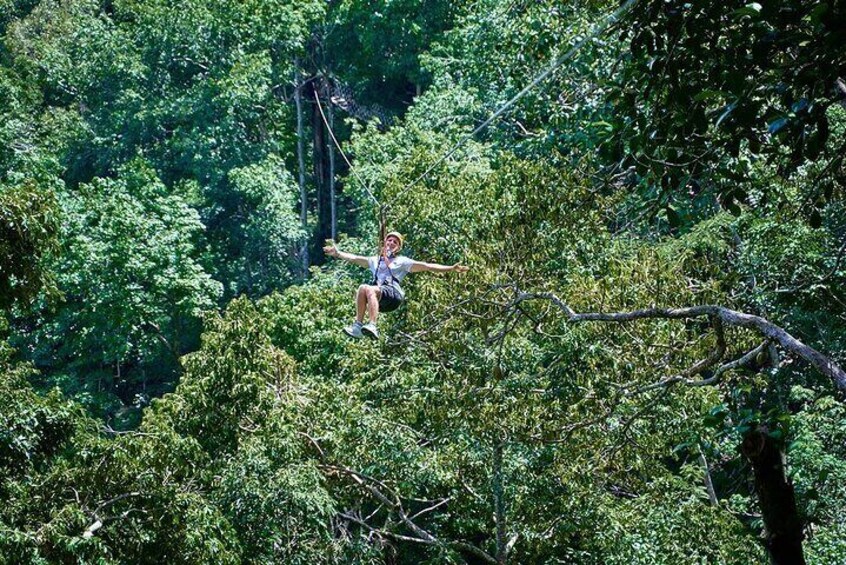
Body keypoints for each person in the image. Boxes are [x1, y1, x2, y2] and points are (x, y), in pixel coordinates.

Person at [323, 231, 469, 339]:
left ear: (398, 247)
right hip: (381, 300)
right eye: (389, 240)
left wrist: (450, 268)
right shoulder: (375, 260)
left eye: (395, 242)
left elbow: (427, 266)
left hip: (394, 295)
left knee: (368, 288)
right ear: (384, 243)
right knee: (363, 288)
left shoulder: (402, 261)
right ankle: (358, 326)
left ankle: (372, 325)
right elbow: (354, 258)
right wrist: (338, 253)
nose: (391, 243)